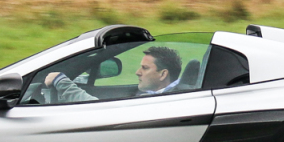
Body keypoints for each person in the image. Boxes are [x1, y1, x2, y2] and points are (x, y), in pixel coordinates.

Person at [43, 45, 183, 103]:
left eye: (145, 68)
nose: (137, 72)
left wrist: (61, 82)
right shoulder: (171, 94)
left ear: (163, 74)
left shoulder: (161, 101)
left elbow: (101, 111)